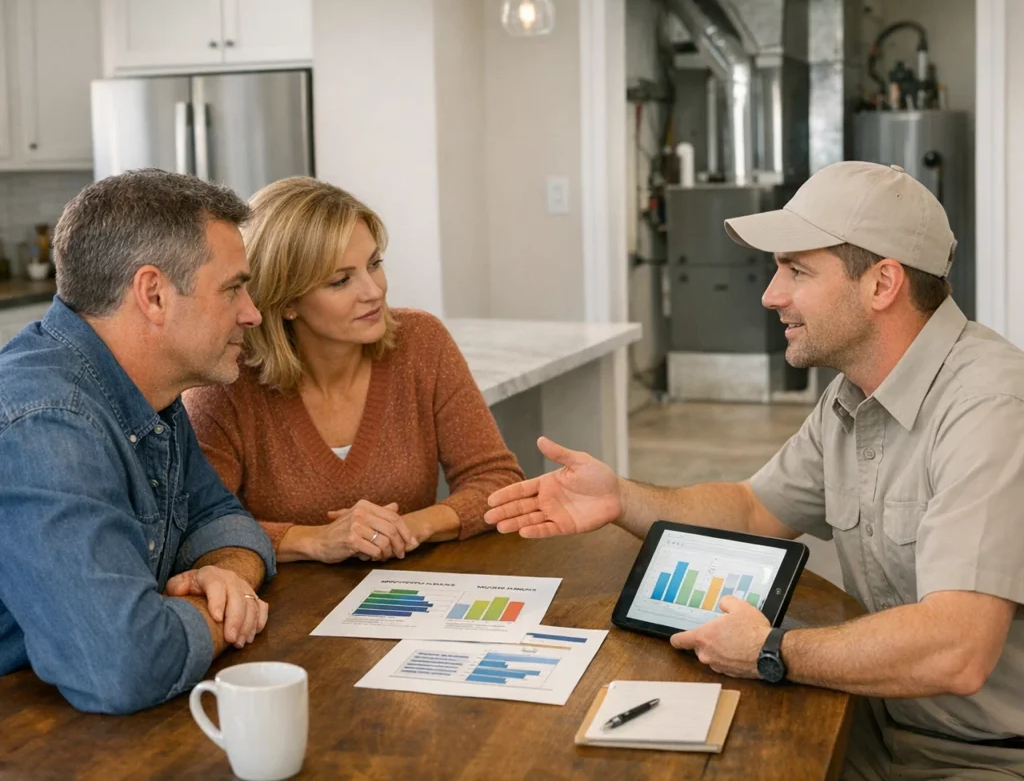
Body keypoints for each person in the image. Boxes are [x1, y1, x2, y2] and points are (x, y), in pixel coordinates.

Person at [484, 161, 1024, 779]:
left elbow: (959, 648)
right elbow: (751, 510)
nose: (771, 294)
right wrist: (619, 497)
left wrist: (771, 650)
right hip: (880, 718)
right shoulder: (853, 396)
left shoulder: (993, 408)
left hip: (987, 757)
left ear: (882, 284)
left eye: (797, 270)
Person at [0, 169, 276, 715]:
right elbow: (123, 663)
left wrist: (229, 578)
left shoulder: (147, 393)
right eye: (232, 288)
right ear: (153, 294)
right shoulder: (48, 423)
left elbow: (222, 516)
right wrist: (219, 612)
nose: (252, 313)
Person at [183, 177, 523, 564]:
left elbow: (498, 481)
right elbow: (197, 528)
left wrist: (408, 528)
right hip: (282, 612)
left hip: (406, 596)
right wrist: (316, 541)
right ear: (287, 300)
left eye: (374, 264)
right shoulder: (226, 379)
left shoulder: (422, 342)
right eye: (341, 280)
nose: (374, 290)